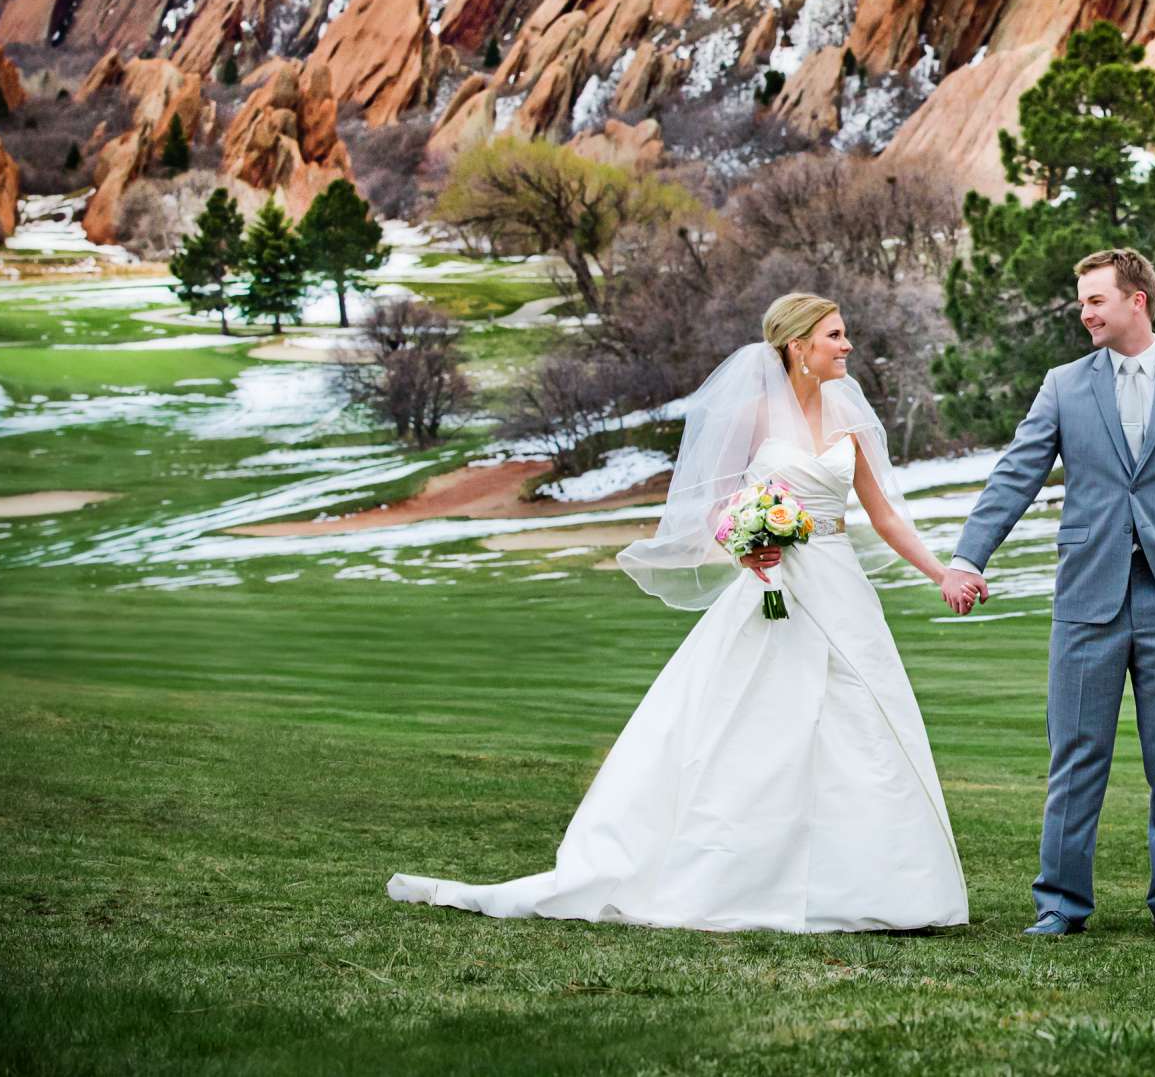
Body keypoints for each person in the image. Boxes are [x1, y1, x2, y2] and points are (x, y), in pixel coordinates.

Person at [386, 292, 967, 933]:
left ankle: (885, 887)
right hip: (775, 587)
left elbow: (882, 514)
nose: (848, 345)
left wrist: (943, 573)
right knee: (758, 725)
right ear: (798, 346)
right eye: (835, 335)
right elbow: (714, 507)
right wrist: (745, 544)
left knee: (862, 718)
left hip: (840, 586)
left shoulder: (850, 414)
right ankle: (733, 876)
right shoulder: (752, 414)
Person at [941, 247, 1155, 938]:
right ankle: (1061, 903)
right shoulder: (1063, 384)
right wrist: (967, 555)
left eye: (1095, 300)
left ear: (1137, 300)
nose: (1084, 312)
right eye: (1081, 301)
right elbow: (1016, 474)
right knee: (1075, 756)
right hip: (1087, 598)